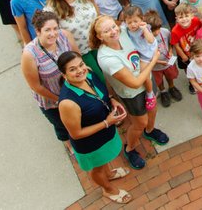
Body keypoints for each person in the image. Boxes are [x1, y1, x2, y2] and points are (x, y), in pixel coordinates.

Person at [91, 15, 169, 170]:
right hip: (132, 93)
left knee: (153, 110)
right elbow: (134, 84)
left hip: (146, 78)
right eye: (107, 31)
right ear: (100, 37)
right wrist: (154, 59)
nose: (113, 32)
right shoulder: (107, 58)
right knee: (139, 123)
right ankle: (130, 148)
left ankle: (150, 131)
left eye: (113, 26)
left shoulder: (124, 33)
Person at [56, 50, 133, 204]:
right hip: (90, 143)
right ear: (64, 75)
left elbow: (101, 94)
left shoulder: (88, 74)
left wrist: (112, 100)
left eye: (81, 65)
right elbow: (76, 134)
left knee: (103, 161)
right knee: (97, 168)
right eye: (72, 69)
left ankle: (109, 174)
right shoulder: (67, 103)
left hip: (106, 130)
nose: (80, 70)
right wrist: (107, 123)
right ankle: (108, 189)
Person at [20, 11, 77, 143]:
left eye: (55, 28)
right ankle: (68, 144)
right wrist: (60, 100)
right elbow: (35, 86)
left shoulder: (64, 36)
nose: (53, 33)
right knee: (62, 126)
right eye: (47, 30)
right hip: (52, 101)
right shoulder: (30, 55)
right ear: (38, 31)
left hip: (73, 89)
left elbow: (77, 58)